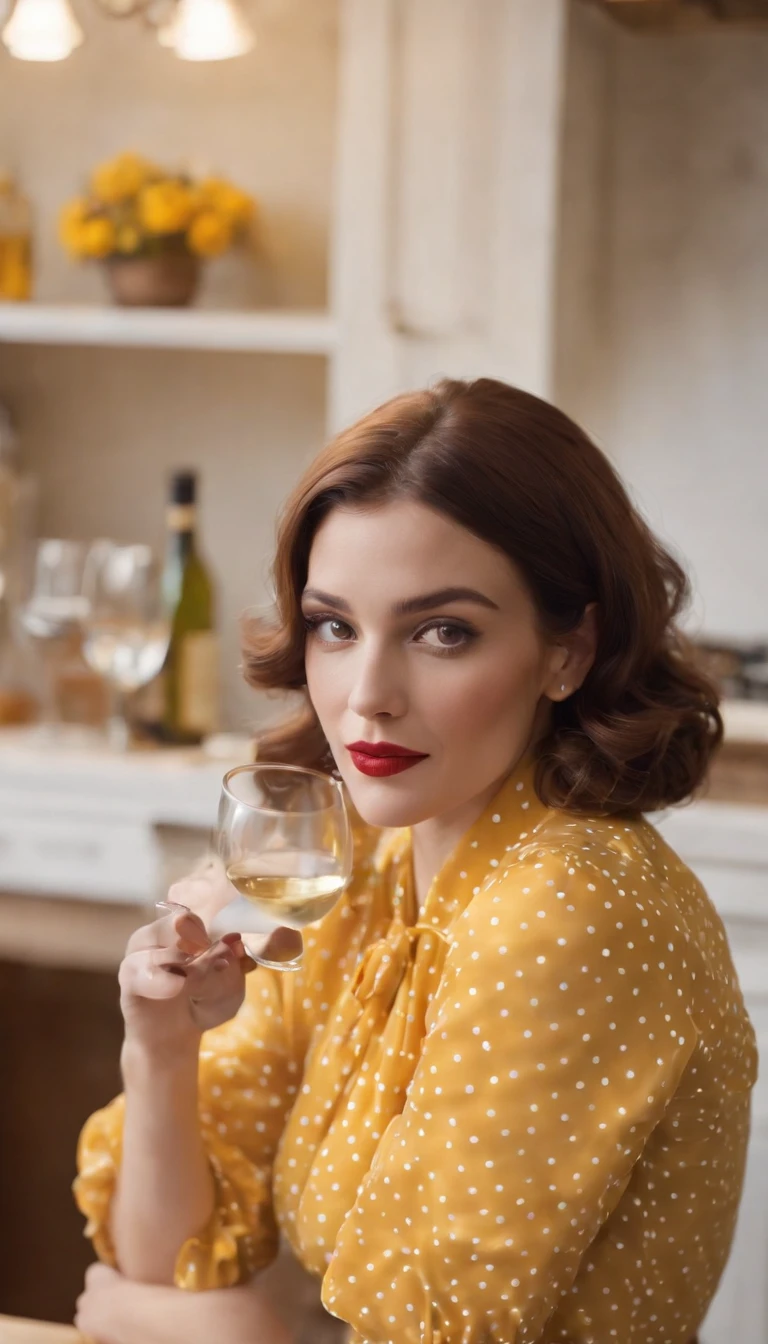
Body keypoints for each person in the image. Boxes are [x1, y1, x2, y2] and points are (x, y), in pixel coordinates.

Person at [74, 378, 756, 1344]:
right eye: (335, 626)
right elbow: (163, 1266)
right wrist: (162, 1048)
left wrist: (242, 1339)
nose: (367, 696)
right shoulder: (367, 863)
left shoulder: (573, 906)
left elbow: (171, 1313)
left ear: (570, 648)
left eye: (444, 632)